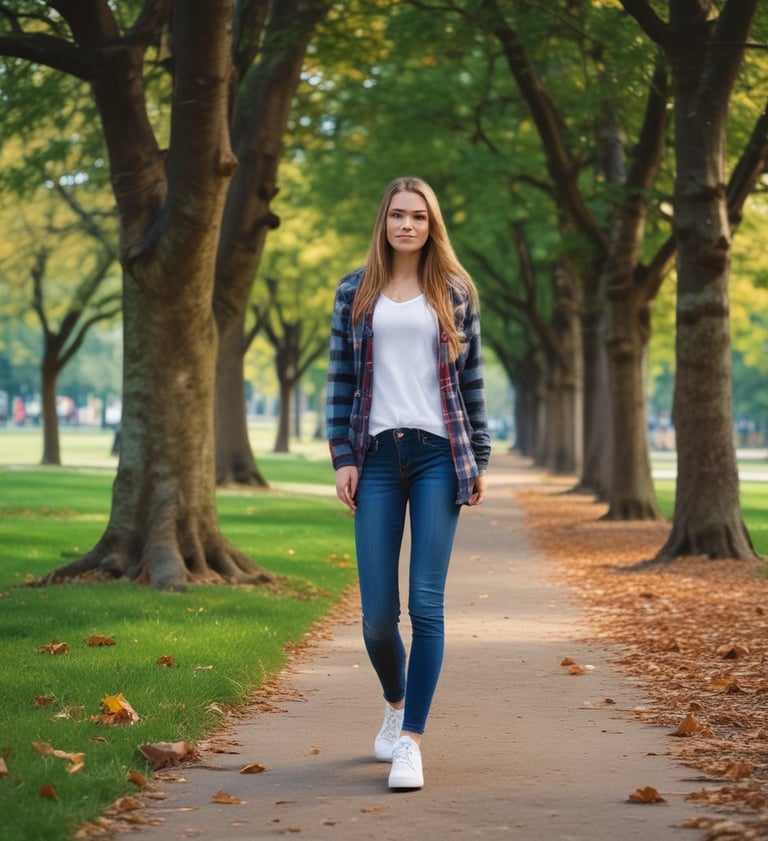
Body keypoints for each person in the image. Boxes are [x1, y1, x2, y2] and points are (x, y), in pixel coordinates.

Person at [326, 176, 491, 790]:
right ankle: (395, 703)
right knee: (377, 615)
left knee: (425, 604)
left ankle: (411, 742)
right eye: (398, 215)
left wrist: (478, 458)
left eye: (418, 217)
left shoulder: (455, 291)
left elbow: (471, 381)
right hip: (374, 457)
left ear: (431, 224)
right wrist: (342, 456)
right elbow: (341, 379)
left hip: (437, 456)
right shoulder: (354, 292)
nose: (407, 225)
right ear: (384, 221)